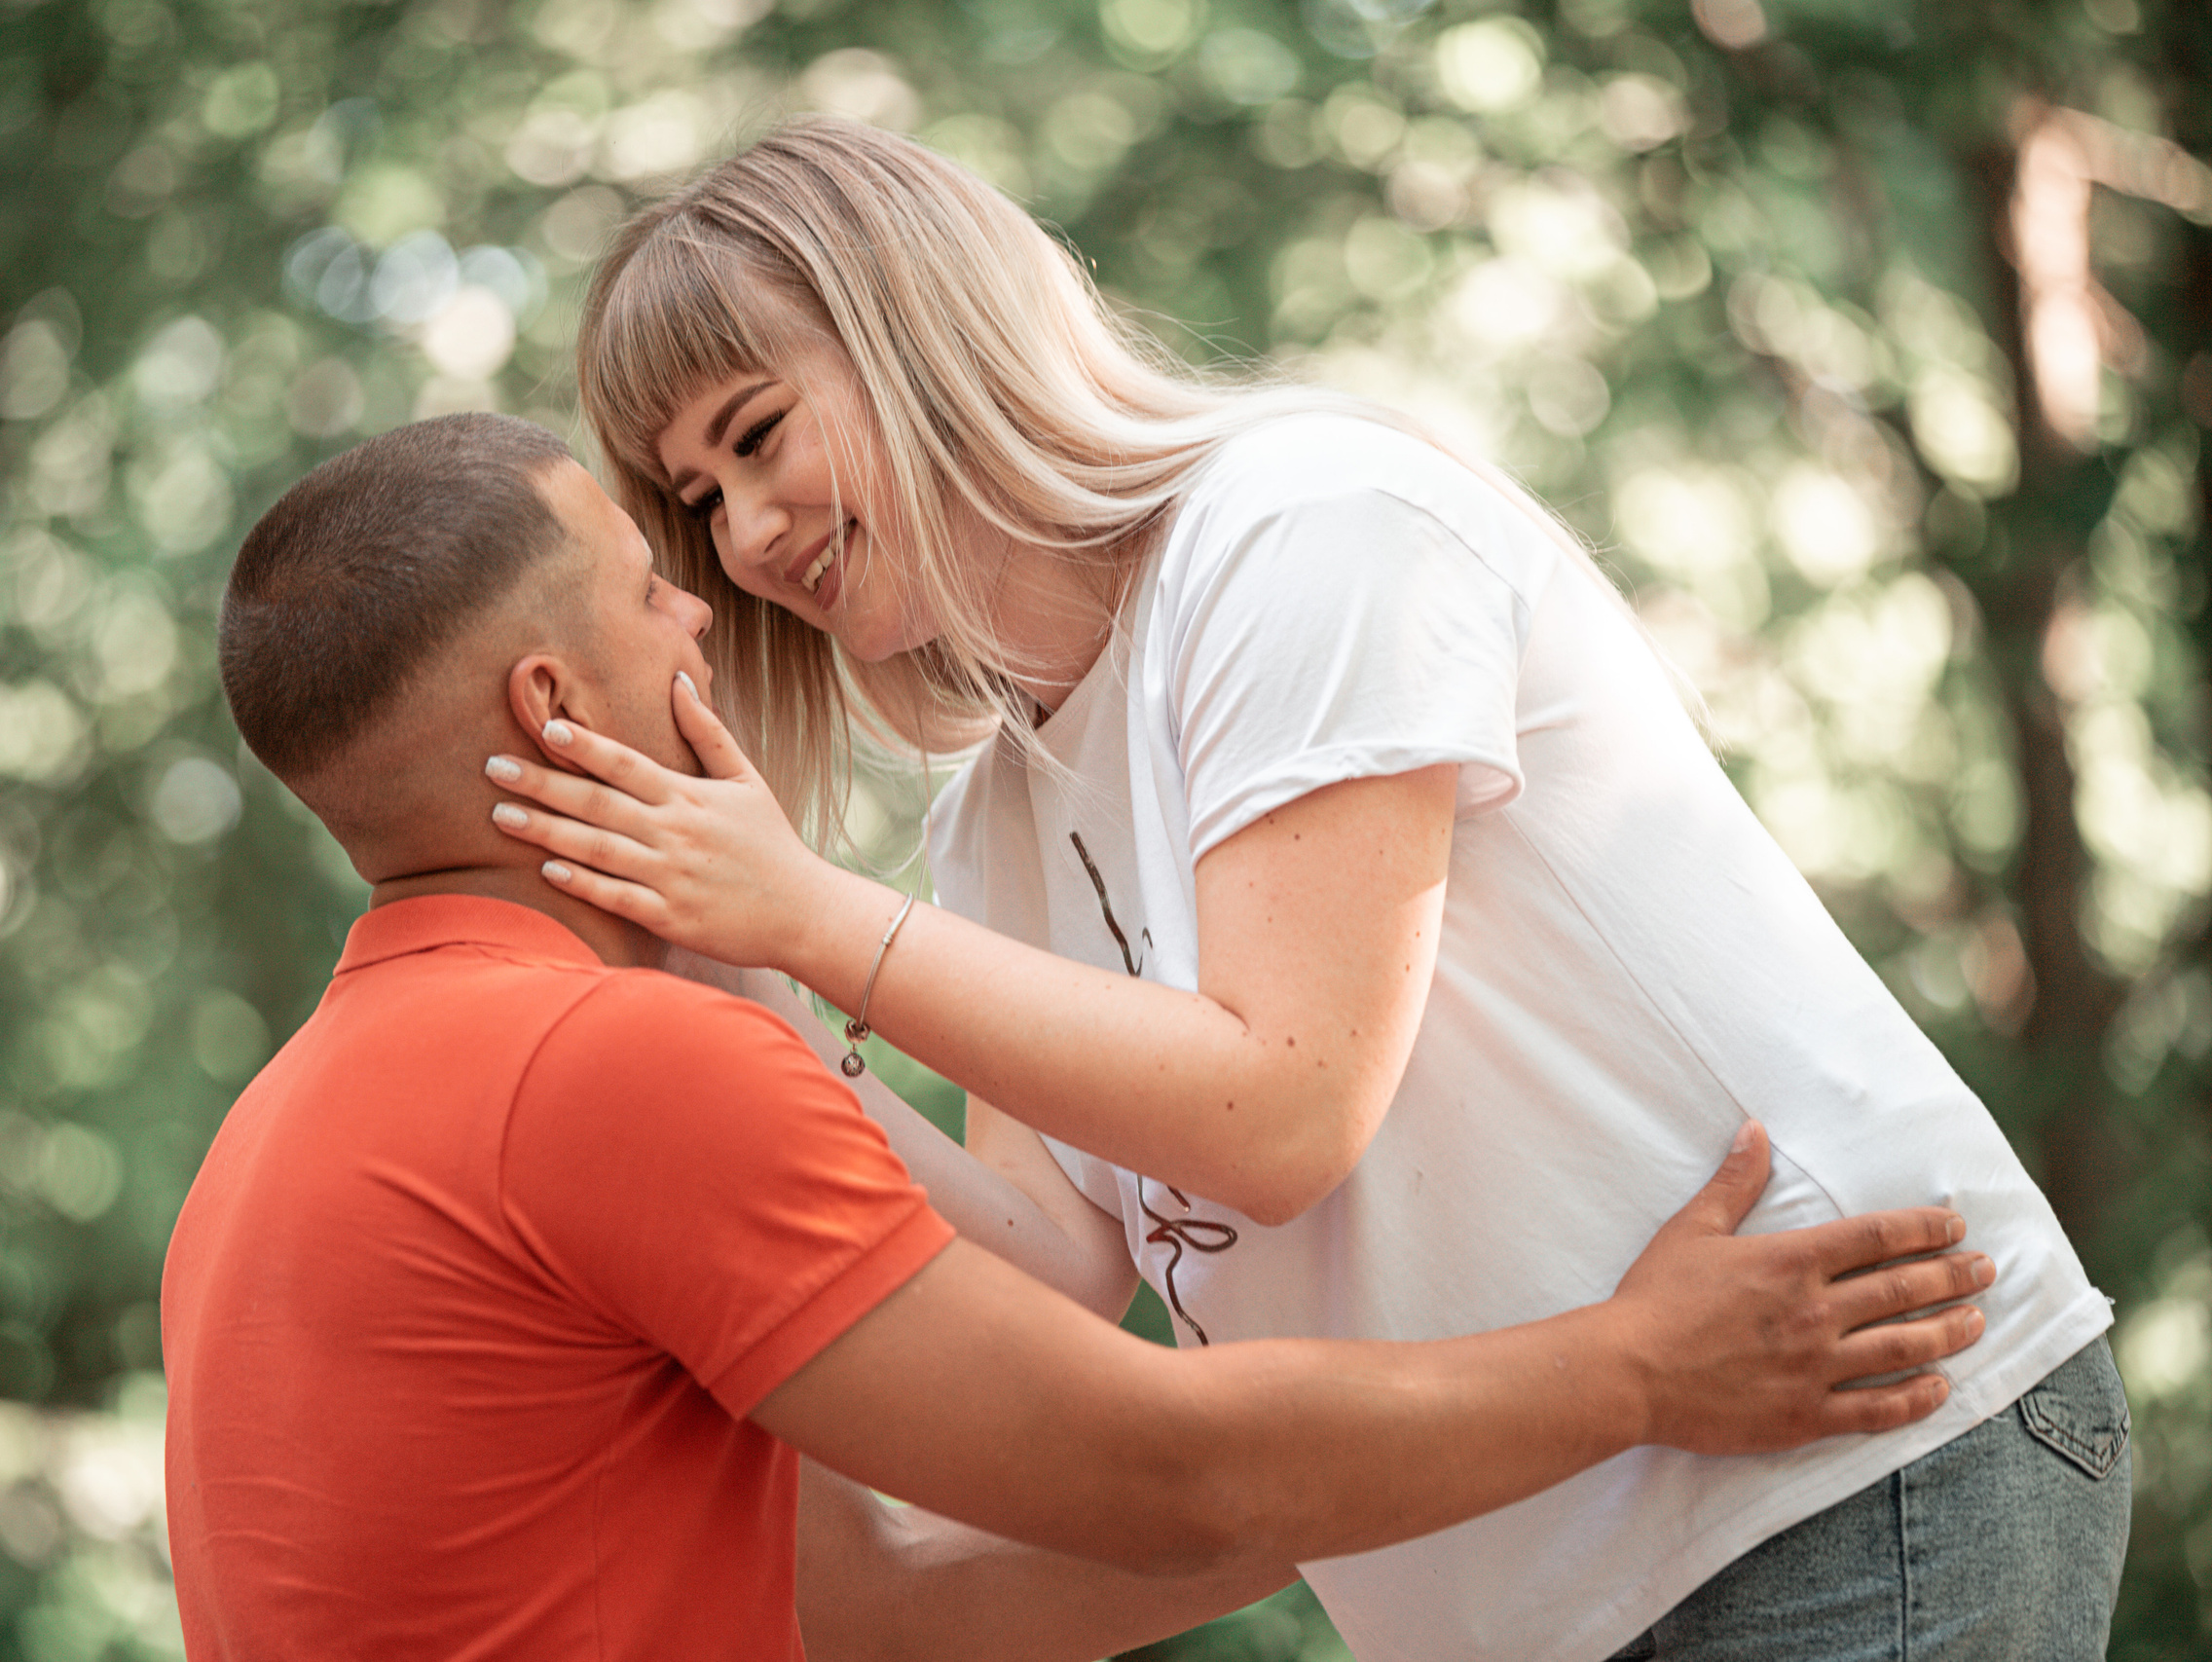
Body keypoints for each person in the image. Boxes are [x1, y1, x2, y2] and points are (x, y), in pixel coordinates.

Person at [484, 118, 2133, 1661]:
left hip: (1843, 1464)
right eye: (696, 501)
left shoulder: (1298, 534)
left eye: (758, 435)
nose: (750, 534)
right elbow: (1049, 1267)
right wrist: (746, 985)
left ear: (919, 328)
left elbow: (1283, 1110)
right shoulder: (991, 818)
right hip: (1528, 1586)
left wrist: (803, 914)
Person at [165, 411, 1993, 1662]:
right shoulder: (602, 1072)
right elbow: (1155, 1470)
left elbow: (877, 1613)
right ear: (552, 710)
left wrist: (1446, 1446)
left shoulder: (280, 1139)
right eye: (656, 585)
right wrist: (1637, 1378)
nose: (706, 612)